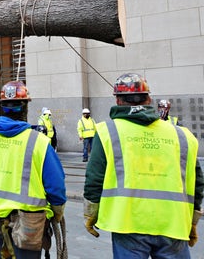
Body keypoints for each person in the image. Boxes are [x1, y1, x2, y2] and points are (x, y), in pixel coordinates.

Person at [83, 73, 204, 258]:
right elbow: (197, 182)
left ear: (117, 99)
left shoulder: (108, 131)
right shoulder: (182, 135)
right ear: (149, 98)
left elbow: (94, 178)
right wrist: (193, 220)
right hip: (172, 222)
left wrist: (91, 214)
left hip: (128, 223)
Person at [0, 80, 66, 258]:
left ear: (1, 107)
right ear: (25, 107)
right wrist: (57, 213)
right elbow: (56, 188)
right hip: (27, 226)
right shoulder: (38, 142)